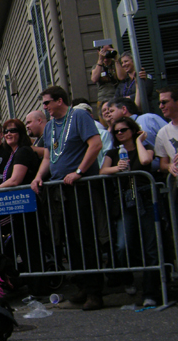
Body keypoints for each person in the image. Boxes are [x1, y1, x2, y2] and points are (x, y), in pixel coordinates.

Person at [31, 85, 104, 310]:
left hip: (81, 187)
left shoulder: (79, 115)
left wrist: (80, 171)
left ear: (59, 101)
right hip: (60, 189)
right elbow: (48, 156)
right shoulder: (51, 126)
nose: (45, 108)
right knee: (70, 239)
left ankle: (95, 291)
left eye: (47, 103)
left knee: (85, 238)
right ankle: (82, 286)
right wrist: (38, 177)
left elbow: (95, 144)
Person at [99, 117, 158, 307]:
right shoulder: (113, 152)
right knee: (123, 245)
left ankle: (151, 292)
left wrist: (139, 141)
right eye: (116, 131)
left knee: (150, 247)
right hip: (125, 201)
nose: (119, 134)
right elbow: (102, 171)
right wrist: (117, 168)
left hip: (146, 200)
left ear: (132, 130)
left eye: (123, 130)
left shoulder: (145, 147)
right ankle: (128, 279)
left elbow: (146, 160)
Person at [0, 119, 42, 273]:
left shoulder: (23, 151)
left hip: (28, 205)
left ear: (20, 133)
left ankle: (38, 287)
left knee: (30, 246)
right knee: (22, 245)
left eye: (13, 130)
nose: (8, 134)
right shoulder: (13, 153)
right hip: (19, 207)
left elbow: (15, 180)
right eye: (6, 131)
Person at [155, 86, 178, 178]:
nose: (161, 106)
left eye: (164, 102)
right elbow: (163, 164)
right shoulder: (162, 133)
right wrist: (170, 166)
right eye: (159, 103)